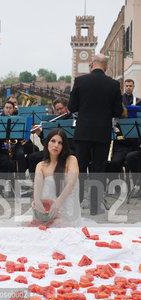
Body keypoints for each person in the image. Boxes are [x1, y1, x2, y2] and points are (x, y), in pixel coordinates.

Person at [68, 53, 124, 215]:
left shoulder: (80, 81)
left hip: (83, 131)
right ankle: (94, 207)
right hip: (103, 132)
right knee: (98, 169)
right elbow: (117, 111)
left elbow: (72, 107)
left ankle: (76, 205)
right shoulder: (113, 84)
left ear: (91, 66)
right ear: (106, 68)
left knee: (80, 168)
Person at [32, 128, 81, 227]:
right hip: (46, 212)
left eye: (60, 143)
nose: (56, 145)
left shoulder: (71, 160)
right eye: (53, 141)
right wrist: (37, 203)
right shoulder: (41, 165)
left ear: (64, 146)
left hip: (67, 209)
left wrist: (58, 202)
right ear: (47, 143)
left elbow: (71, 184)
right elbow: (37, 190)